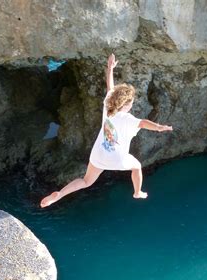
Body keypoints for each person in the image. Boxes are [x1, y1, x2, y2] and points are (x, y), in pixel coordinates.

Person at [40, 53, 172, 208]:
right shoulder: (128, 119)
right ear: (126, 104)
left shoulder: (108, 107)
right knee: (136, 167)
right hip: (117, 159)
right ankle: (137, 192)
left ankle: (60, 194)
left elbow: (110, 88)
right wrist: (159, 127)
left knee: (85, 181)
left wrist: (110, 69)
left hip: (99, 154)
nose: (131, 105)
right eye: (131, 103)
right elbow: (143, 123)